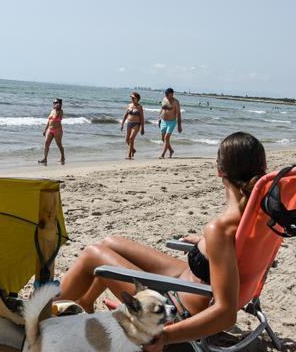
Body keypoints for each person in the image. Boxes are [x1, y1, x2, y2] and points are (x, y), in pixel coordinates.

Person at [58, 132, 267, 350]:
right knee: (111, 242)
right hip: (188, 282)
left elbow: (226, 314)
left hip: (177, 309)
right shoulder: (262, 218)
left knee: (93, 253)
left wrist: (165, 337)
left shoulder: (220, 231)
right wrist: (205, 244)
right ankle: (84, 303)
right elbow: (236, 250)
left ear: (218, 169)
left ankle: (39, 318)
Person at [38, 98, 65, 166]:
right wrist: (45, 129)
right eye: (54, 103)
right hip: (50, 129)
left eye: (56, 103)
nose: (54, 104)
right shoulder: (52, 110)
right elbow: (49, 121)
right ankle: (45, 158)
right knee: (46, 143)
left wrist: (57, 108)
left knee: (59, 144)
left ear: (59, 104)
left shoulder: (60, 111)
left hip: (57, 130)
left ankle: (62, 157)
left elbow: (57, 116)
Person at [120, 92, 145, 160]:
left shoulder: (139, 107)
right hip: (129, 123)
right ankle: (133, 150)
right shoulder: (129, 105)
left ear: (137, 99)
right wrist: (122, 124)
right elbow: (125, 115)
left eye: (134, 98)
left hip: (136, 124)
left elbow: (142, 118)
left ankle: (129, 155)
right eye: (131, 97)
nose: (132, 99)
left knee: (131, 138)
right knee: (127, 140)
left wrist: (142, 128)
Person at [158, 88, 182, 159]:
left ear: (172, 94)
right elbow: (161, 109)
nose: (166, 96)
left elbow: (178, 114)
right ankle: (171, 150)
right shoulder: (164, 99)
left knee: (166, 138)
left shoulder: (176, 102)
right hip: (163, 121)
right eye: (165, 94)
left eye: (167, 94)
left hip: (171, 122)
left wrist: (179, 126)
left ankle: (163, 155)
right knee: (163, 139)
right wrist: (159, 118)